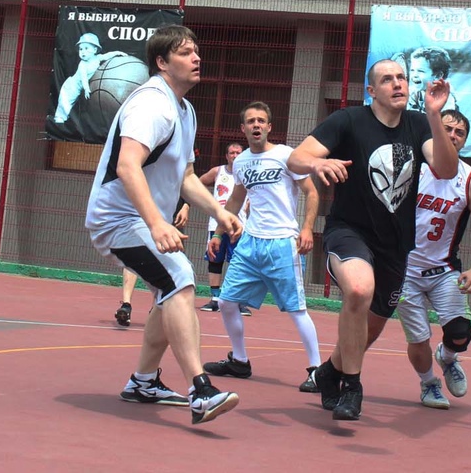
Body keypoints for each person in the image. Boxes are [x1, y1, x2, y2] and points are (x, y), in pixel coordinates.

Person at [84, 25, 243, 426]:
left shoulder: (184, 110)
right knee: (180, 279)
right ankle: (200, 390)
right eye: (186, 52)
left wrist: (219, 211)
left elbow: (186, 177)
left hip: (139, 219)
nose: (197, 58)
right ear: (162, 62)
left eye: (197, 51)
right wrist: (157, 223)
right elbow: (127, 165)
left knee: (167, 290)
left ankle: (143, 382)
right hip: (117, 219)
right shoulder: (152, 104)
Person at [288, 58, 456, 421]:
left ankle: (329, 372)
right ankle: (352, 386)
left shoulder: (418, 124)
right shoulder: (348, 120)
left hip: (395, 244)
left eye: (402, 78)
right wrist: (317, 164)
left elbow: (447, 169)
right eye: (387, 79)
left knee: (371, 326)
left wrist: (434, 115)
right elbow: (297, 158)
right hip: (349, 231)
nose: (397, 84)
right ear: (371, 91)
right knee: (358, 290)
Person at [202, 102, 322, 392]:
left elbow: (311, 192)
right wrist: (218, 233)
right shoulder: (241, 162)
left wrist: (307, 228)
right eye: (251, 121)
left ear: (269, 127)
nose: (256, 125)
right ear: (243, 128)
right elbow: (235, 199)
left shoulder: (286, 155)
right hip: (250, 244)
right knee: (226, 302)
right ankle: (239, 361)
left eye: (261, 121)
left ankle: (317, 371)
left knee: (296, 309)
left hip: (283, 244)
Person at [397, 109, 471, 409]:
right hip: (404, 271)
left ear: (465, 141)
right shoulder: (413, 169)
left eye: (459, 132)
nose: (452, 135)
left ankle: (448, 357)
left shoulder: (470, 180)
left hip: (444, 270)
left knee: (460, 334)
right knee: (418, 339)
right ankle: (428, 384)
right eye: (447, 128)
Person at [117, 199, 188, 326]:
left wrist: (186, 205)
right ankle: (126, 305)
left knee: (165, 259)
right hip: (145, 214)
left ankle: (155, 309)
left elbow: (191, 186)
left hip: (170, 215)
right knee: (133, 256)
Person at [199, 143, 250, 314]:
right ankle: (215, 298)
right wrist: (208, 203)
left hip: (239, 226)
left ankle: (238, 301)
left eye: (238, 153)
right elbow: (197, 184)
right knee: (215, 260)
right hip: (217, 224)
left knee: (239, 263)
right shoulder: (217, 172)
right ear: (227, 156)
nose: (235, 156)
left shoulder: (248, 172)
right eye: (232, 153)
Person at [53, 32, 126, 124]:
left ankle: (65, 117)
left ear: (95, 50)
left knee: (73, 104)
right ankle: (59, 117)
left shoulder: (97, 58)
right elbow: (83, 77)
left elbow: (107, 55)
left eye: (86, 48)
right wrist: (86, 88)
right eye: (81, 49)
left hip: (81, 87)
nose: (83, 52)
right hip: (72, 86)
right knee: (66, 101)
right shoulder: (83, 64)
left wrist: (117, 53)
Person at [406, 47, 458, 114]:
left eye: (421, 71)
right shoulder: (413, 92)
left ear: (438, 75)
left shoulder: (446, 100)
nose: (414, 75)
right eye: (412, 70)